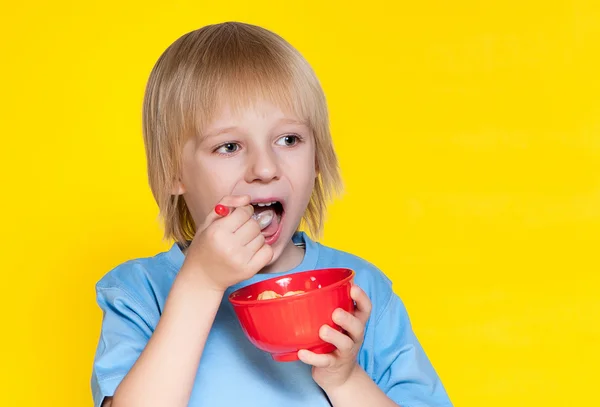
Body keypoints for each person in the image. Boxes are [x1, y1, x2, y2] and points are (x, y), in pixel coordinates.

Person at [91, 21, 453, 407]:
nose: (265, 168)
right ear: (174, 172)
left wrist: (344, 380)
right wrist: (200, 284)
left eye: (289, 140)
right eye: (229, 146)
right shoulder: (138, 292)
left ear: (317, 158)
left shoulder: (362, 291)